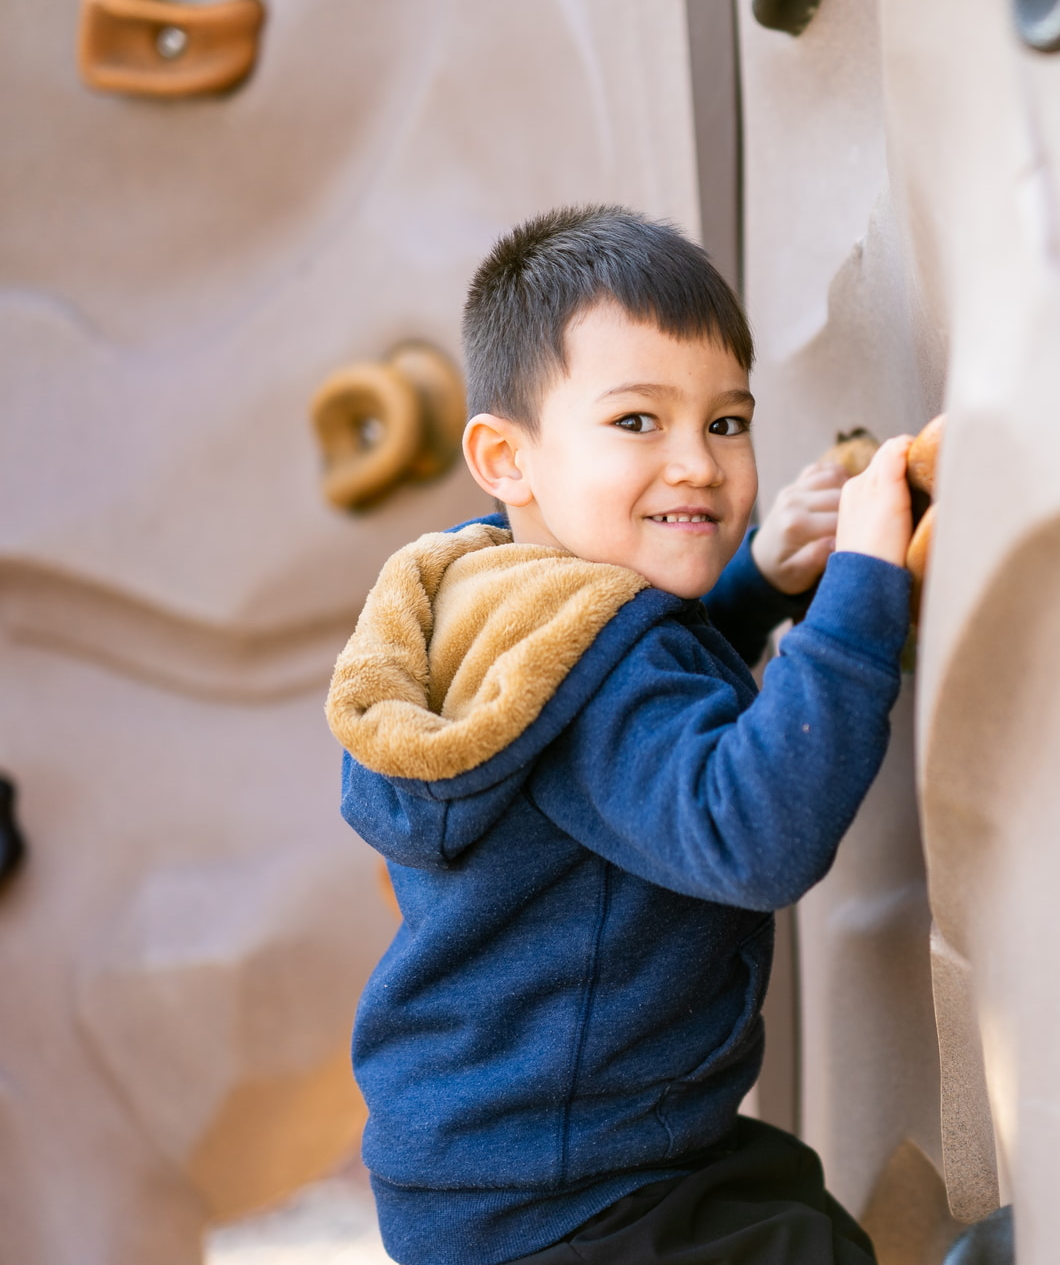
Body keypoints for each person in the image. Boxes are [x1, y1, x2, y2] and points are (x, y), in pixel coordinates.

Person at [326, 205, 913, 1265]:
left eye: (725, 422)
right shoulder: (603, 663)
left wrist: (754, 586)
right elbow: (748, 830)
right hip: (571, 1196)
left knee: (791, 1205)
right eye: (638, 422)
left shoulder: (502, 604)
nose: (696, 463)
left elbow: (634, 717)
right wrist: (858, 593)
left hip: (503, 1165)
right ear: (507, 456)